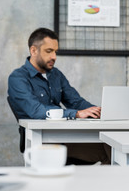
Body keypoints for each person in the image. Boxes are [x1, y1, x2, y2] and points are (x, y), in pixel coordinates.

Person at [8, 28, 110, 164]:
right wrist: (77, 114)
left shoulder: (56, 74)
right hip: (42, 141)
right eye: (49, 51)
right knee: (107, 149)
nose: (54, 57)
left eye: (55, 51)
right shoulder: (18, 78)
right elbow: (36, 111)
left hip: (65, 136)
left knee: (111, 147)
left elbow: (76, 102)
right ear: (33, 51)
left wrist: (96, 111)